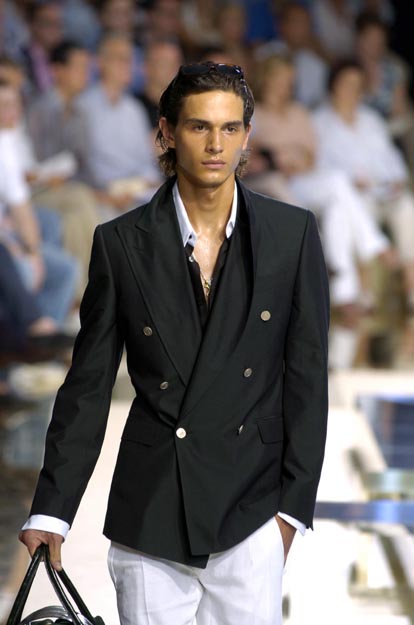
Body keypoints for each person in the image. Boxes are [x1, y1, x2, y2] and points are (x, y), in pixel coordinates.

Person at [20, 61, 329, 625]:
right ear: (166, 132)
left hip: (252, 510)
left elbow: (308, 377)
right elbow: (88, 385)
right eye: (199, 126)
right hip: (152, 513)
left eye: (230, 128)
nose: (216, 145)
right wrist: (52, 511)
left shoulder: (292, 234)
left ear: (247, 137)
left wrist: (292, 511)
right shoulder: (121, 244)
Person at [313, 59, 414, 316]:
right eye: (347, 84)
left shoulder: (371, 119)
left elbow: (391, 157)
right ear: (333, 85)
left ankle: (411, 289)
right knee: (351, 211)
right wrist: (354, 181)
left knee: (408, 208)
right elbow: (320, 165)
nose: (352, 90)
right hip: (354, 195)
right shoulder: (318, 122)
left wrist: (397, 179)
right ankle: (365, 294)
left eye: (357, 85)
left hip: (386, 191)